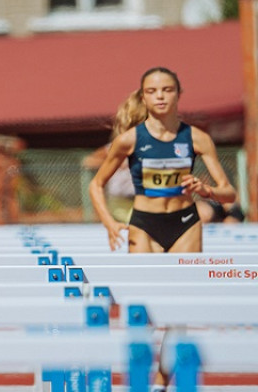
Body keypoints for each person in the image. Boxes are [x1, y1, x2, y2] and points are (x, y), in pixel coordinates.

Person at [88, 66, 236, 392]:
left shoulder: (197, 138)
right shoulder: (130, 140)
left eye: (167, 90)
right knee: (144, 309)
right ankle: (141, 375)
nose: (160, 96)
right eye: (153, 91)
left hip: (185, 225)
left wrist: (207, 190)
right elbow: (96, 184)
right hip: (145, 225)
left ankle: (160, 383)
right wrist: (110, 223)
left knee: (181, 311)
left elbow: (230, 194)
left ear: (179, 94)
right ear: (144, 97)